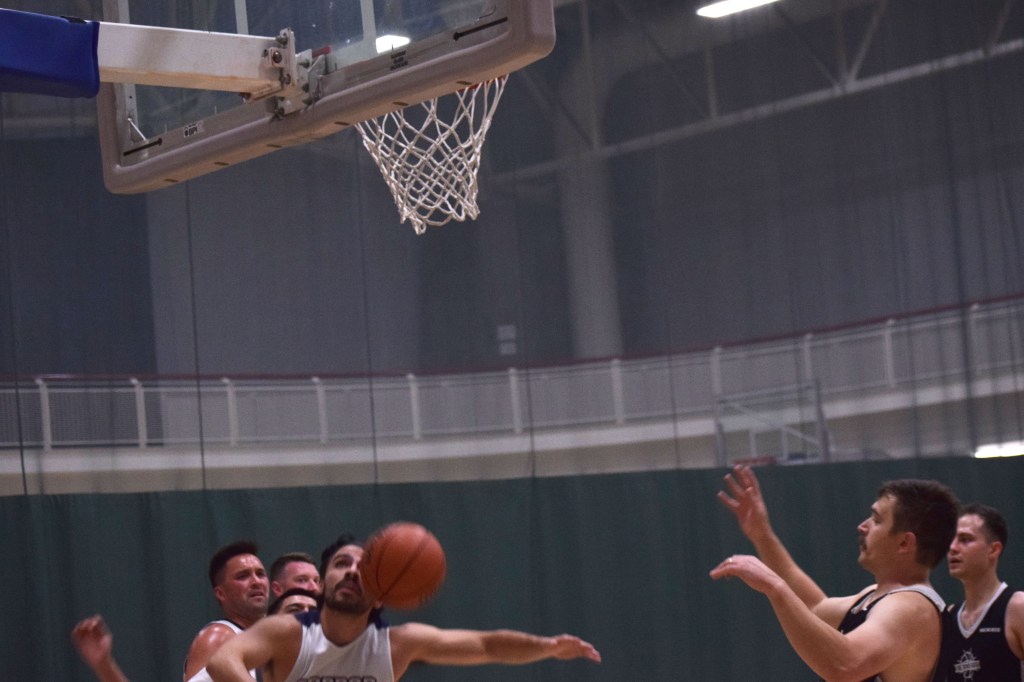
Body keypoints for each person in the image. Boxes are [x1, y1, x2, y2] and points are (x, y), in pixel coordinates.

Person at [206, 534, 601, 682]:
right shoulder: (288, 633)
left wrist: (548, 647)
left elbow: (487, 645)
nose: (352, 572)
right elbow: (224, 661)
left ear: (382, 594)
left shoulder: (398, 645)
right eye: (341, 564)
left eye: (364, 568)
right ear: (322, 583)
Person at [710, 464, 960, 682]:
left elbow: (845, 665)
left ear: (904, 543)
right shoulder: (879, 596)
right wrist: (762, 535)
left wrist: (774, 586)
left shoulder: (911, 607)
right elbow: (813, 607)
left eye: (876, 520)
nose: (862, 526)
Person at [933, 503, 1024, 681]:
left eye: (965, 539)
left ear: (994, 549)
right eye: (951, 540)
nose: (952, 547)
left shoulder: (1017, 608)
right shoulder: (949, 617)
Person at [183, 540, 270, 681]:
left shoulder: (276, 637)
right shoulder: (218, 637)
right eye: (243, 576)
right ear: (220, 593)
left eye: (260, 574)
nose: (256, 582)